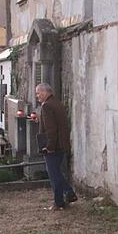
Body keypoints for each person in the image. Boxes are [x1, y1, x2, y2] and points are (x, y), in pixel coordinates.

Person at [35, 83, 77, 211]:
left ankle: (61, 200)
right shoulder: (57, 103)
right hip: (62, 144)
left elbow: (51, 129)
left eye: (38, 93)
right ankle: (66, 196)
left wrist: (49, 146)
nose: (37, 96)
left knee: (54, 174)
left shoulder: (47, 106)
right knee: (56, 172)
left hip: (54, 146)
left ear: (44, 92)